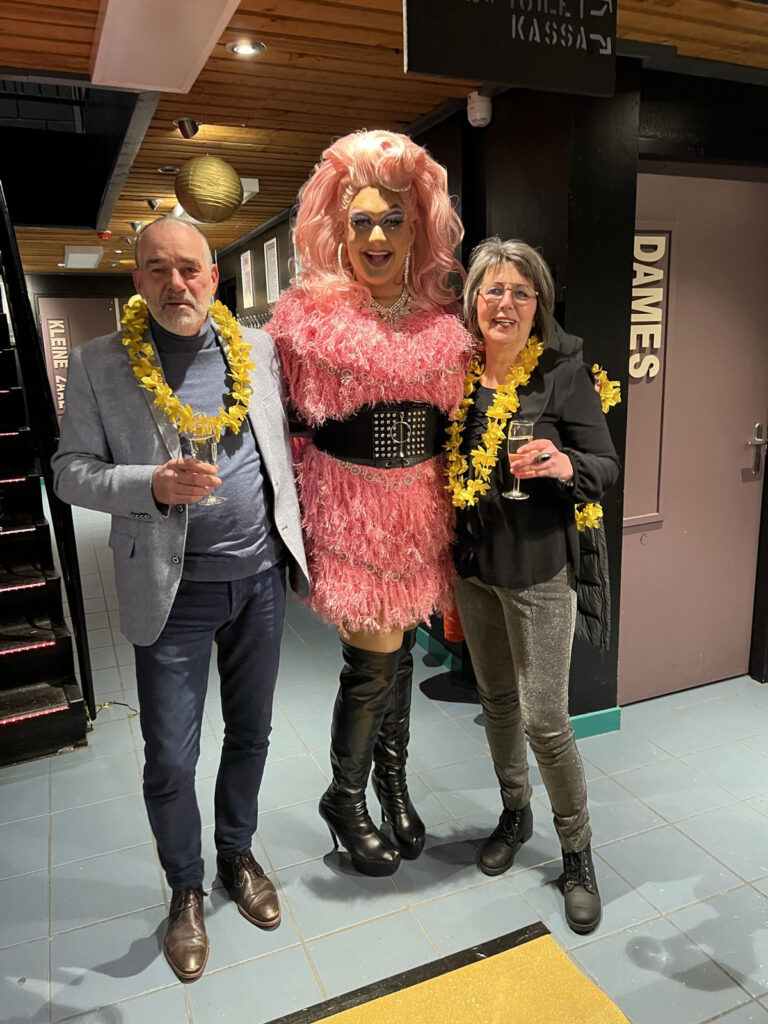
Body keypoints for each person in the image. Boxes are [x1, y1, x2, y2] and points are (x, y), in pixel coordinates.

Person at [51, 217, 309, 981]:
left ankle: (237, 854)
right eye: (158, 270)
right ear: (137, 281)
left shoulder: (258, 349)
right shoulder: (100, 365)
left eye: (190, 268)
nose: (176, 284)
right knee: (169, 755)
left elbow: (284, 446)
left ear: (214, 277)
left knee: (252, 733)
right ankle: (185, 888)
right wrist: (150, 486)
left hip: (259, 580)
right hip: (171, 592)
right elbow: (68, 471)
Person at [267, 130, 473, 877]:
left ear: (417, 230)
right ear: (340, 230)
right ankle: (346, 797)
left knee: (399, 655)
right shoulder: (306, 321)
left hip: (418, 519)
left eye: (392, 221)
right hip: (348, 515)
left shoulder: (441, 328)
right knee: (372, 660)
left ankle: (393, 787)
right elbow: (275, 424)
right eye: (362, 222)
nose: (377, 238)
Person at [446, 237, 620, 934]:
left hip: (541, 571)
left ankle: (577, 853)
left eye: (521, 292)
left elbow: (606, 466)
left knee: (546, 720)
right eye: (494, 289)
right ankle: (514, 813)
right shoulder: (456, 375)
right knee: (495, 704)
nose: (506, 303)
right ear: (473, 301)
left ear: (539, 305)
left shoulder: (560, 375)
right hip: (475, 572)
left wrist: (563, 463)